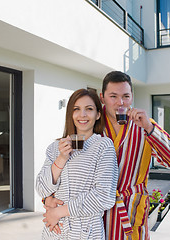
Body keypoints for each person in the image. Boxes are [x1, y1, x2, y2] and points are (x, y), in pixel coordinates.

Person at [100, 71, 170, 240]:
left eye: (126, 96)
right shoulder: (91, 124)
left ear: (132, 97)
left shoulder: (144, 125)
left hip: (131, 211)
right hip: (96, 213)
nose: (120, 103)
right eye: (113, 96)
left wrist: (150, 129)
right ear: (102, 98)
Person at [36, 88, 118, 239]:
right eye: (76, 109)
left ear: (98, 114)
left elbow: (104, 196)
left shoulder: (103, 146)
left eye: (89, 109)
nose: (83, 115)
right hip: (54, 232)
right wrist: (61, 158)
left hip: (86, 233)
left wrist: (58, 212)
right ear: (70, 114)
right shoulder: (55, 148)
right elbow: (41, 188)